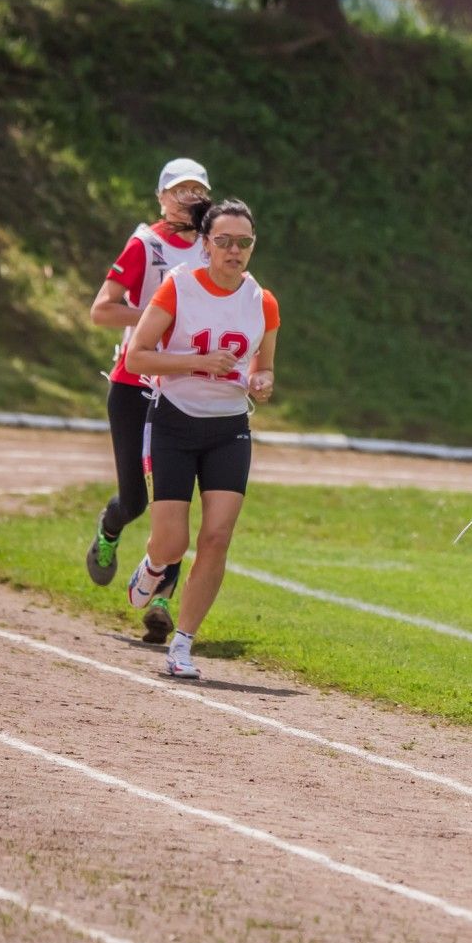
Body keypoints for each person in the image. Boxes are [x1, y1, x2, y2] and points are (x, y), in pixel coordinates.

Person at [120, 197, 277, 679]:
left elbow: (264, 366)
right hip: (174, 419)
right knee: (172, 543)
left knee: (216, 537)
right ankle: (152, 567)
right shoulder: (179, 287)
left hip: (229, 429)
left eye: (244, 242)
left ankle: (183, 645)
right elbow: (136, 357)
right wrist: (197, 363)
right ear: (205, 244)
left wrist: (262, 381)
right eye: (224, 241)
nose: (234, 251)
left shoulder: (263, 301)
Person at [86, 158, 213, 644]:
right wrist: (157, 315)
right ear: (161, 197)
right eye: (178, 191)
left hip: (183, 386)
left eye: (196, 191)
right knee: (136, 500)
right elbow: (102, 310)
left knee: (173, 497)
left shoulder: (212, 246)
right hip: (134, 383)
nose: (187, 199)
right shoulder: (146, 244)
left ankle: (160, 599)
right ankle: (110, 526)